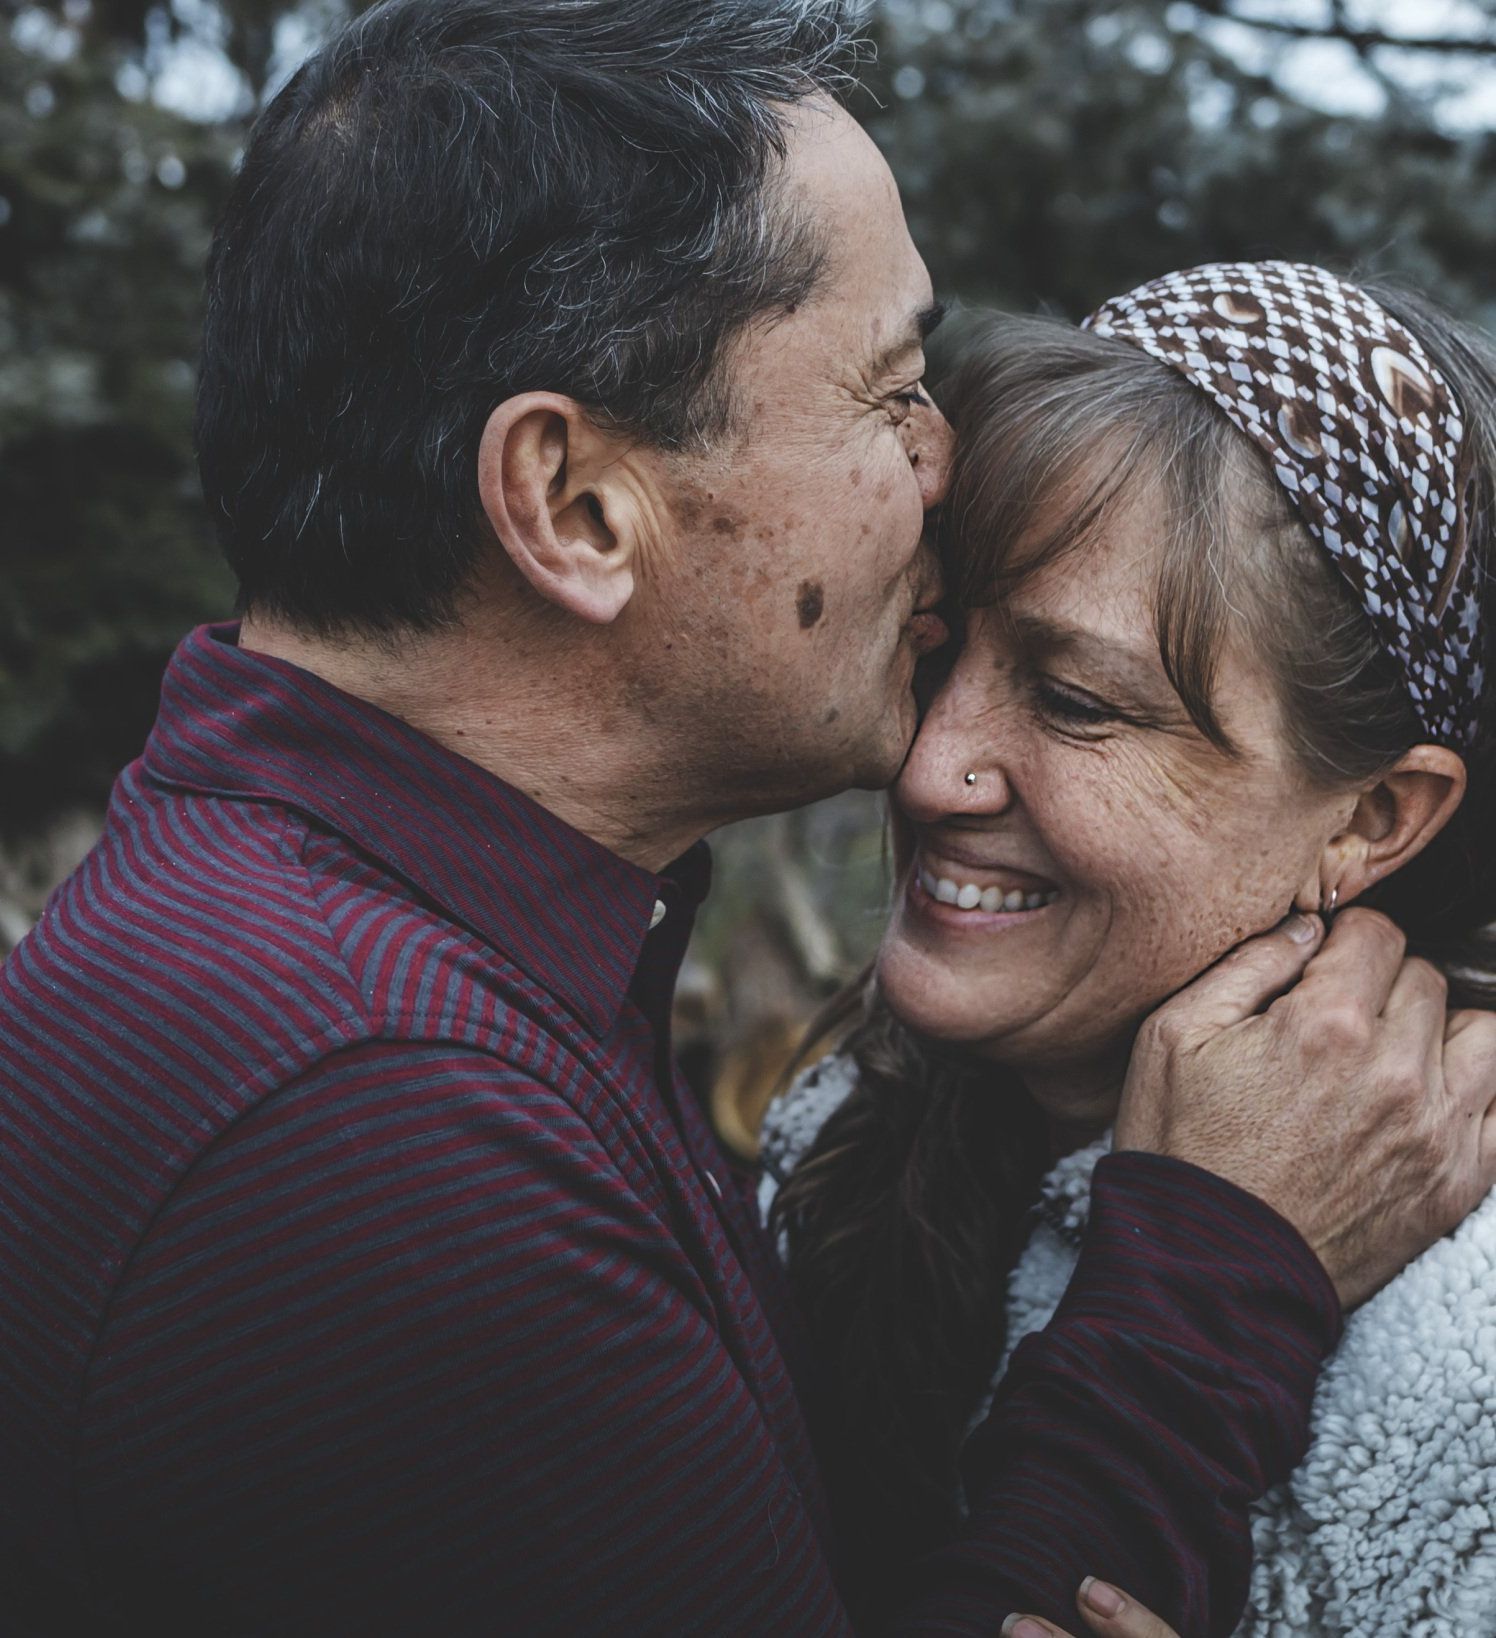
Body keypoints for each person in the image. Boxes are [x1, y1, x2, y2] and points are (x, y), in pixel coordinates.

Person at [0, 0, 1491, 1624]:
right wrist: (1207, 1287)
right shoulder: (391, 1138)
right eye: (891, 387)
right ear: (575, 506)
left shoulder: (359, 955)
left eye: (1075, 696)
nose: (938, 461)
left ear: (1382, 815)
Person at [764, 262, 1496, 1636]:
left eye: (1075, 699)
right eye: (933, 647)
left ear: (1375, 816)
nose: (929, 767)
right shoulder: (838, 1136)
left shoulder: (1468, 1355)